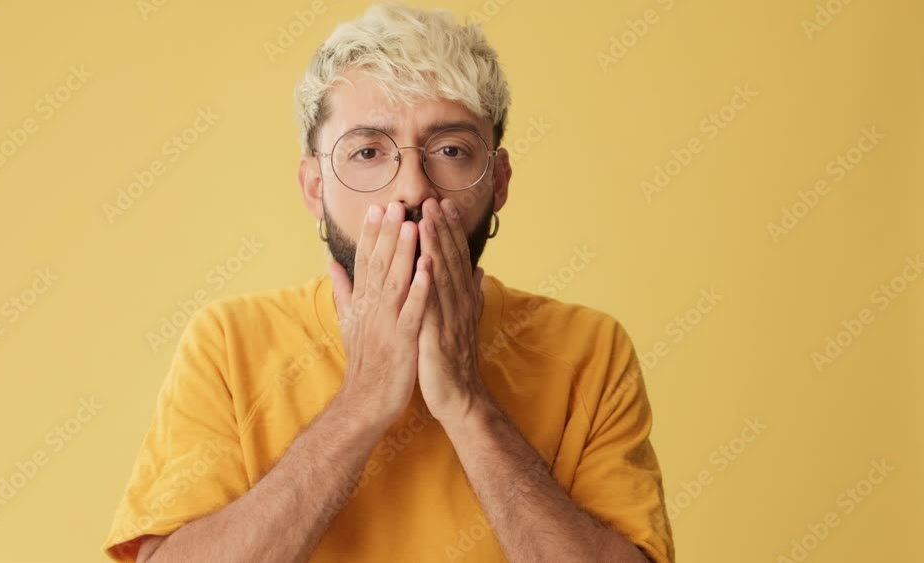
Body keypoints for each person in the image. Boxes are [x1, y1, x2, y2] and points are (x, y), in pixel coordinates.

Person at [104, 4, 675, 562]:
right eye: (368, 152)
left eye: (450, 150)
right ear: (313, 188)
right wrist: (363, 400)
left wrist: (468, 402)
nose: (411, 189)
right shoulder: (229, 343)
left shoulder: (589, 351)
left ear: (497, 183)